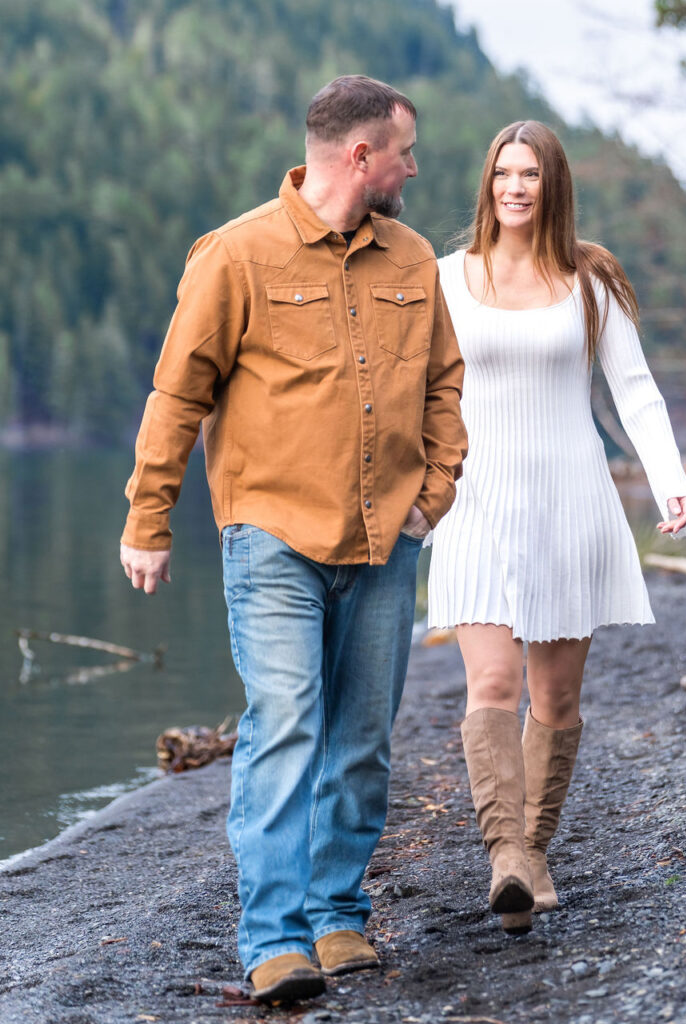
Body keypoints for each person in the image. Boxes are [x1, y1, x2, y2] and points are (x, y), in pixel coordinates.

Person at [120, 75, 467, 1002]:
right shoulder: (235, 256)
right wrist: (148, 520)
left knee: (361, 740)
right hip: (273, 538)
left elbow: (444, 386)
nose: (413, 166)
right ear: (361, 156)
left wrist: (431, 496)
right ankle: (273, 938)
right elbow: (177, 395)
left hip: (386, 540)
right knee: (285, 728)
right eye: (405, 149)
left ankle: (338, 917)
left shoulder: (412, 259)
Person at [427, 120, 686, 935]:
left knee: (556, 697)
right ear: (486, 183)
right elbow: (412, 393)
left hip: (570, 500)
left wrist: (669, 478)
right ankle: (505, 854)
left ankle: (531, 852)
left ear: (553, 187)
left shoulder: (589, 281)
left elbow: (634, 391)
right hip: (474, 503)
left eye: (529, 174)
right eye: (502, 172)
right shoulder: (443, 277)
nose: (513, 187)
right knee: (492, 686)